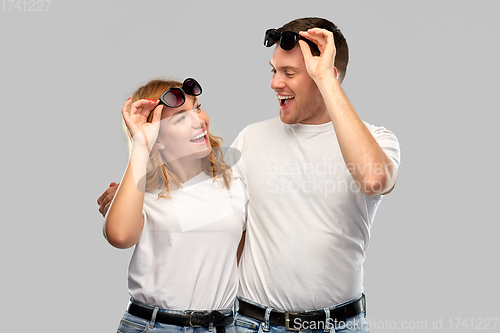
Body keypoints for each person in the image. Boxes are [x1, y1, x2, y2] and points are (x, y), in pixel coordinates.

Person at [98, 17, 400, 333]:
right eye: (274, 70)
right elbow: (196, 201)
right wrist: (128, 195)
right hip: (254, 325)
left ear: (327, 76)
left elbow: (373, 179)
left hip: (341, 325)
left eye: (289, 73)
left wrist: (325, 79)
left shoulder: (377, 140)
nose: (274, 83)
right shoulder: (252, 139)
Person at [101, 78, 247, 333]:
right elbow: (120, 236)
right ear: (158, 138)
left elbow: (241, 257)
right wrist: (141, 145)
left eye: (198, 107)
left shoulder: (234, 183)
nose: (198, 121)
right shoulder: (141, 194)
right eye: (180, 118)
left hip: (223, 325)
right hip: (156, 326)